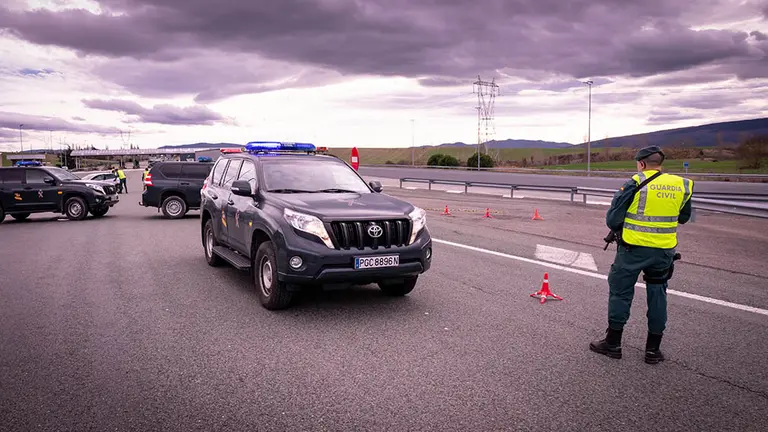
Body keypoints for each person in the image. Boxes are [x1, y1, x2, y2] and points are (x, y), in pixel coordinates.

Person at [589, 146, 694, 364]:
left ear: (642, 164)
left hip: (632, 250)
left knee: (620, 293)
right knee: (658, 295)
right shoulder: (682, 184)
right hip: (664, 250)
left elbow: (613, 220)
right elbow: (684, 217)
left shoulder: (635, 182)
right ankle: (653, 350)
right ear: (660, 163)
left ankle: (613, 344)